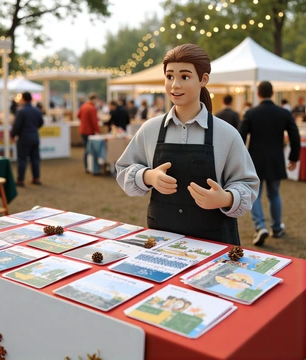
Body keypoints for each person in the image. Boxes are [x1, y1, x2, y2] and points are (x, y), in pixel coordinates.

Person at [115, 43, 259, 245]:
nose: (175, 85)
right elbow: (123, 169)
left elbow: (248, 185)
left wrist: (226, 198)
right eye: (169, 76)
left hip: (214, 245)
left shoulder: (227, 134)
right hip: (162, 242)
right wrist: (147, 176)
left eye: (184, 77)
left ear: (203, 79)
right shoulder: (150, 129)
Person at [239, 81, 300, 246]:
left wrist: (239, 159)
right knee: (274, 194)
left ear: (258, 94)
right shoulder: (283, 113)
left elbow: (240, 137)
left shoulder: (250, 113)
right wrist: (293, 158)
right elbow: (294, 136)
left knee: (255, 195)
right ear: (272, 93)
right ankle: (276, 227)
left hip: (255, 160)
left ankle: (260, 227)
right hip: (275, 159)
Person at [11, 91, 44, 186]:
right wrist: (34, 128)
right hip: (34, 136)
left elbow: (17, 125)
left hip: (24, 138)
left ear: (23, 99)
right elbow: (41, 122)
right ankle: (36, 178)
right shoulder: (37, 110)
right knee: (35, 159)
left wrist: (13, 135)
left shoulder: (21, 111)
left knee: (22, 159)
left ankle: (20, 180)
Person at [77, 92, 99, 173]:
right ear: (93, 99)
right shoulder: (92, 108)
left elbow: (78, 116)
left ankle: (87, 166)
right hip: (89, 131)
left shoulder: (83, 106)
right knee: (90, 149)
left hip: (82, 130)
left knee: (86, 148)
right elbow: (94, 121)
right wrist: (98, 131)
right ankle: (91, 166)